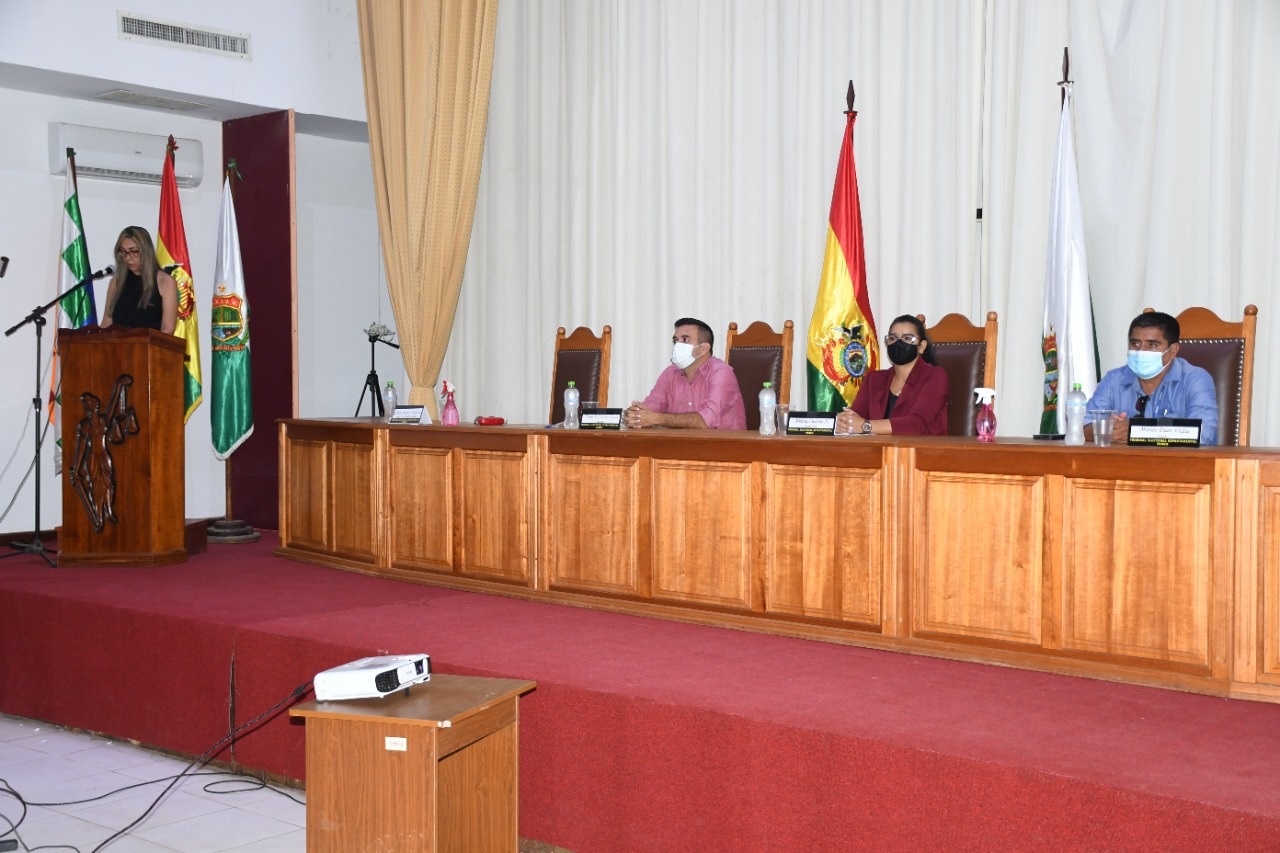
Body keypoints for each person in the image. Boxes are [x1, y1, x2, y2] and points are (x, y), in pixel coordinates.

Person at [1085, 311, 1218, 445]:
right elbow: (1082, 427)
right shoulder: (1114, 379)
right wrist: (1107, 428)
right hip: (1124, 458)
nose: (1141, 351)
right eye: (1135, 344)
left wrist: (1135, 431)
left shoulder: (1195, 379)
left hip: (1180, 458)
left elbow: (1203, 432)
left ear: (1173, 350)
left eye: (1152, 345)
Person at [834, 314, 949, 436]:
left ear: (922, 346)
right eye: (893, 338)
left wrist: (865, 426)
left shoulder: (935, 376)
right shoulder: (874, 380)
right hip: (879, 447)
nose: (899, 343)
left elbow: (917, 424)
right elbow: (856, 415)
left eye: (907, 338)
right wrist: (845, 421)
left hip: (924, 447)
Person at [624, 318, 747, 430]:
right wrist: (635, 415)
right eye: (675, 341)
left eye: (685, 340)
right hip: (680, 444)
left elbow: (705, 422)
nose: (677, 345)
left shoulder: (721, 372)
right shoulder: (670, 373)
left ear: (703, 349)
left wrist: (657, 418)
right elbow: (649, 410)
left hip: (723, 445)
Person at [99, 226, 178, 334]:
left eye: (134, 251)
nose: (128, 257)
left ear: (146, 252)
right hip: (118, 344)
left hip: (149, 344)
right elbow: (106, 323)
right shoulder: (116, 282)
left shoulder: (165, 282)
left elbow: (167, 329)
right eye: (123, 252)